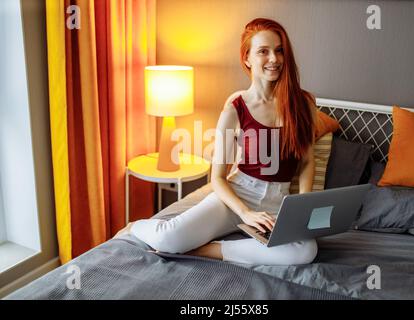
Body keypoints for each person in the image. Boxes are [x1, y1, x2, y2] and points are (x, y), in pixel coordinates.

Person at [124, 18, 318, 265]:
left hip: (279, 202)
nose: (274, 59)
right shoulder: (234, 109)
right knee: (168, 239)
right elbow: (218, 177)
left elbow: (307, 161)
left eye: (279, 50)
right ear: (247, 58)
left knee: (305, 251)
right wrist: (245, 213)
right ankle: (134, 227)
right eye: (263, 51)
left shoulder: (304, 104)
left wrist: (301, 205)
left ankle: (208, 250)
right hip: (237, 195)